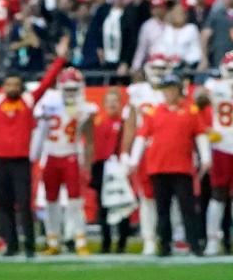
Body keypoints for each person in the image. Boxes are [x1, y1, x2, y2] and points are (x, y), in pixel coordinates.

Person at [0, 32, 68, 257]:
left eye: (15, 84)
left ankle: (30, 246)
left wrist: (60, 60)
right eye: (8, 84)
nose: (12, 88)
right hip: (1, 160)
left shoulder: (27, 100)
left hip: (21, 161)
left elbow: (45, 82)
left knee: (24, 204)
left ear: (20, 86)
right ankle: (11, 244)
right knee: (3, 205)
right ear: (4, 86)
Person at [128, 73, 209, 257]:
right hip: (158, 167)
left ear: (178, 90)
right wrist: (134, 159)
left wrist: (205, 157)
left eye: (171, 89)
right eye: (166, 90)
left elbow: (200, 135)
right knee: (162, 209)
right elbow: (142, 136)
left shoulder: (190, 111)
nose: (168, 93)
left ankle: (194, 244)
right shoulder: (154, 112)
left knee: (187, 208)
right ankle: (164, 245)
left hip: (182, 167)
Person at [33, 68, 96, 255]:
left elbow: (89, 139)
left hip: (71, 156)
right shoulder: (49, 102)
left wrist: (87, 163)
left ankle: (79, 239)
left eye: (73, 89)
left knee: (75, 201)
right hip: (51, 156)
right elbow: (38, 122)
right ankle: (53, 240)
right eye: (66, 89)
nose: (70, 93)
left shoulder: (85, 108)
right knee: (50, 200)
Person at [123, 53, 170, 255]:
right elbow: (131, 125)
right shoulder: (137, 92)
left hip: (168, 148)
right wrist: (125, 151)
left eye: (162, 69)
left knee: (170, 197)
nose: (158, 73)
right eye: (155, 68)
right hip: (144, 150)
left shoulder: (172, 91)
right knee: (147, 198)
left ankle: (171, 236)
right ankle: (149, 238)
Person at [198, 52, 233, 256]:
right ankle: (213, 239)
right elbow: (198, 100)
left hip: (223, 144)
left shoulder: (216, 86)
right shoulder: (215, 86)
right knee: (218, 193)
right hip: (221, 144)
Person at [90, 89, 130, 253]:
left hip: (118, 166)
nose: (112, 104)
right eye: (109, 101)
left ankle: (122, 242)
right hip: (101, 166)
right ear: (104, 104)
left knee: (122, 204)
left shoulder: (125, 123)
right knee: (103, 206)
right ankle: (105, 242)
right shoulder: (98, 123)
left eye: (115, 101)